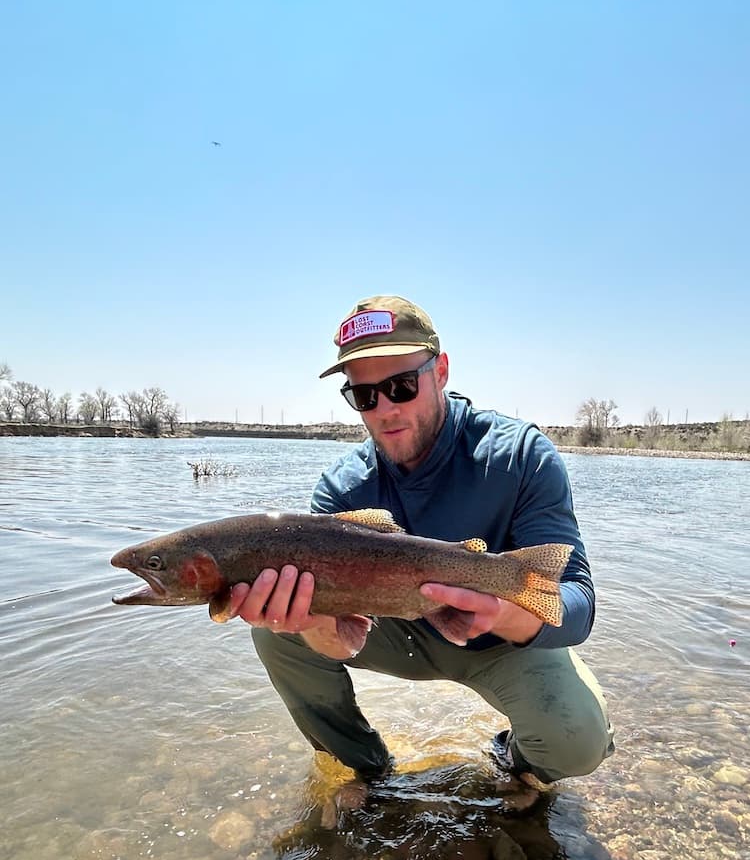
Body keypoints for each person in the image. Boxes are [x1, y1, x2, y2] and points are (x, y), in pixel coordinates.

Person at [229, 295, 614, 790]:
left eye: (401, 386)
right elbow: (340, 635)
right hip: (395, 628)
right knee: (276, 629)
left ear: (442, 372)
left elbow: (577, 607)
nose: (384, 409)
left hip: (502, 639)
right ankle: (365, 770)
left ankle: (512, 763)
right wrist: (321, 632)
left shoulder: (521, 456)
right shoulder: (340, 489)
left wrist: (501, 613)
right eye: (364, 396)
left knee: (577, 740)